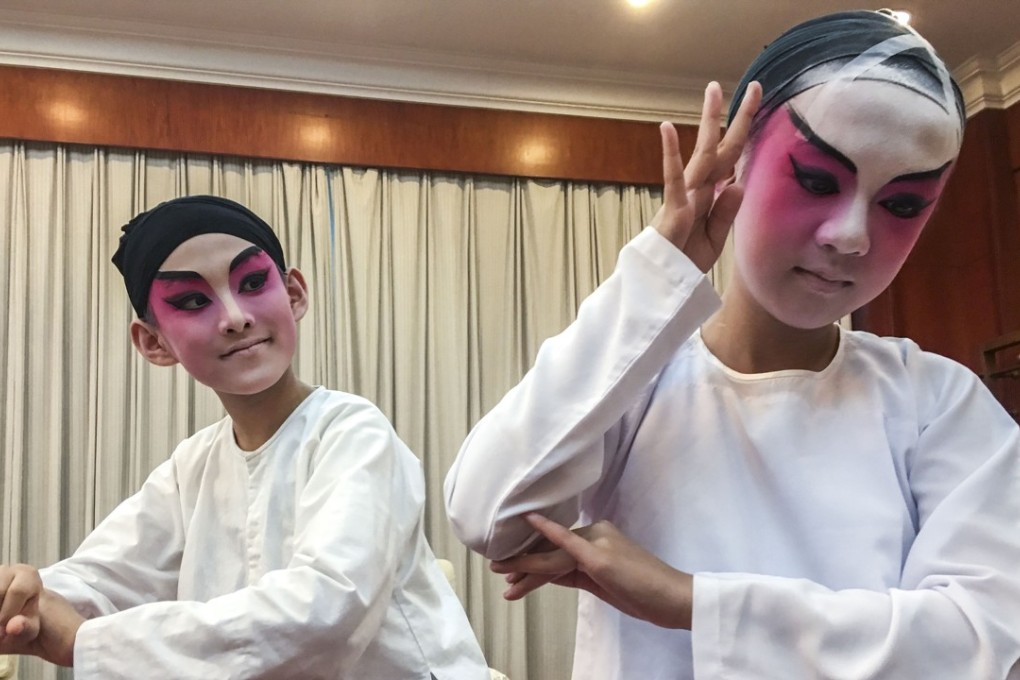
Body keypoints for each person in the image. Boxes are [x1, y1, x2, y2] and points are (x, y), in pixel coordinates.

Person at [445, 9, 1020, 680]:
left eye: (902, 205)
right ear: (733, 163)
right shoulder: (636, 386)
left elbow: (980, 640)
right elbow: (488, 515)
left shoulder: (938, 403)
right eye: (815, 180)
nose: (851, 235)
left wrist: (693, 602)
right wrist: (658, 271)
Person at [0, 195, 489, 679]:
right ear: (154, 343)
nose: (235, 317)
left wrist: (88, 641)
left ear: (294, 293)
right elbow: (104, 576)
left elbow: (325, 614)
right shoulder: (192, 466)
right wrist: (28, 596)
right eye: (193, 301)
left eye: (253, 282)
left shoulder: (351, 431)